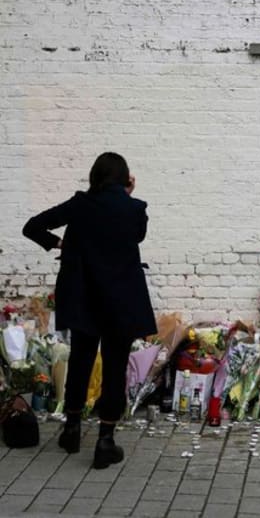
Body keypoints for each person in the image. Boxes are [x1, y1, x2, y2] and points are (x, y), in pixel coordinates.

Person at [22, 152, 156, 469]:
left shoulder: (79, 205)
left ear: (94, 177)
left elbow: (33, 226)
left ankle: (71, 429)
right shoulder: (134, 209)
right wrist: (128, 195)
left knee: (81, 363)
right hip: (120, 303)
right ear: (125, 179)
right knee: (113, 370)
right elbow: (136, 235)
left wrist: (60, 244)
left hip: (84, 300)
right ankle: (105, 441)